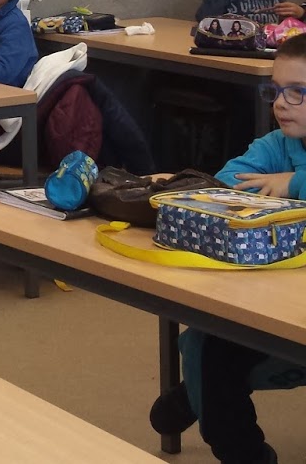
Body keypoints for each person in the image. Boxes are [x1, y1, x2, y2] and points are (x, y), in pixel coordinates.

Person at [146, 33, 306, 464]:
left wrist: (294, 183)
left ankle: (194, 395)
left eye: (297, 92)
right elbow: (227, 182)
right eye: (276, 90)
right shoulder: (278, 144)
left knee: (213, 361)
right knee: (204, 342)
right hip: (269, 289)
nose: (281, 104)